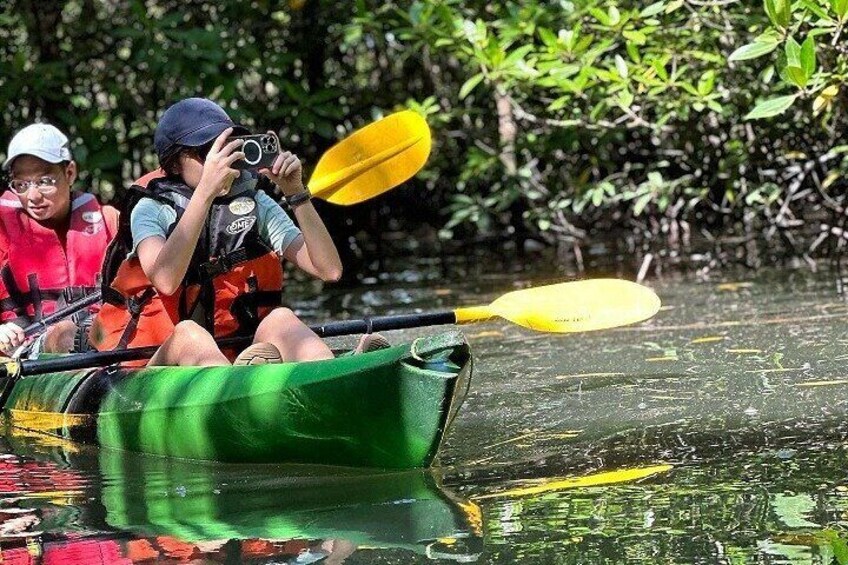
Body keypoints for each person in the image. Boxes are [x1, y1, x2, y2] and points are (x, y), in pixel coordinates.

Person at [90, 97, 374, 366]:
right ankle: (233, 387)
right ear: (175, 163)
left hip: (235, 354)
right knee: (190, 334)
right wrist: (206, 193)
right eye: (207, 152)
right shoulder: (151, 208)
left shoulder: (255, 204)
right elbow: (165, 280)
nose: (223, 161)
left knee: (281, 319)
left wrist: (296, 193)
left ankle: (328, 374)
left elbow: (329, 270)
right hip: (156, 364)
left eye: (228, 147)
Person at [0, 124, 118, 355]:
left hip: (106, 343)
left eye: (44, 181)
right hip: (25, 354)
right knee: (64, 334)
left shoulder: (109, 221)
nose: (33, 196)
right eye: (21, 185)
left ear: (70, 173)